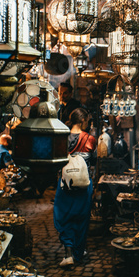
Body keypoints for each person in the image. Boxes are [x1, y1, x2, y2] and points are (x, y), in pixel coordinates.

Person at [54, 108, 97, 267]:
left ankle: (68, 254)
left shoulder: (61, 137)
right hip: (84, 184)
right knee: (81, 218)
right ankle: (79, 252)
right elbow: (94, 161)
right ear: (82, 121)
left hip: (65, 183)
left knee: (64, 216)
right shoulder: (90, 139)